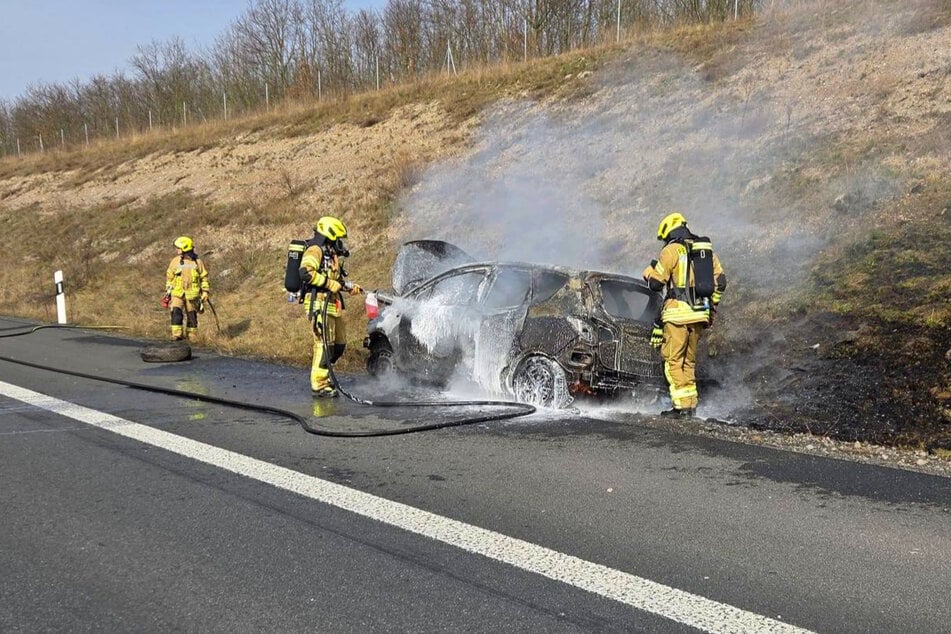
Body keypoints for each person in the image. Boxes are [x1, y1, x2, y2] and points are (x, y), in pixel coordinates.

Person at [642, 212, 726, 418]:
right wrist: (711, 309)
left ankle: (680, 408)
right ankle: (690, 406)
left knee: (672, 362)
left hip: (677, 316)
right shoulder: (706, 252)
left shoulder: (671, 251)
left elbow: (655, 284)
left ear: (668, 231)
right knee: (689, 362)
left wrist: (649, 271)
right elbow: (721, 282)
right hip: (699, 315)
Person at [299, 216, 362, 397]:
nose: (340, 243)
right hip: (318, 303)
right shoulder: (315, 250)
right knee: (324, 345)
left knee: (339, 345)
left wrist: (350, 287)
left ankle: (325, 374)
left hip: (332, 305)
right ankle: (319, 385)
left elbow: (337, 280)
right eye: (337, 239)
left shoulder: (330, 254)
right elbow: (305, 273)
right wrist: (327, 283)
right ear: (329, 235)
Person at [164, 236, 210, 341]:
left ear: (185, 248)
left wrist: (205, 292)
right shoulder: (175, 261)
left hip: (192, 294)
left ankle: (192, 336)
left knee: (192, 315)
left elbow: (204, 277)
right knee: (176, 311)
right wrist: (168, 291)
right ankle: (177, 334)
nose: (177, 250)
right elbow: (169, 276)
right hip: (177, 293)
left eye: (178, 248)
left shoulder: (197, 262)